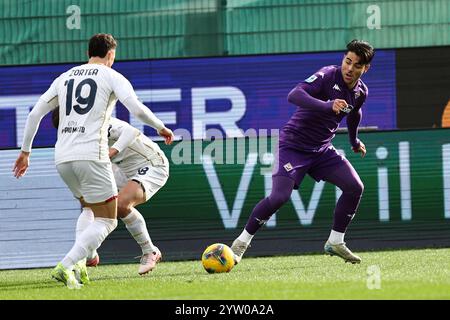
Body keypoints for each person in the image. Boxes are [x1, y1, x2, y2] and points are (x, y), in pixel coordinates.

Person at [13, 33, 174, 289]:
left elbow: (34, 114)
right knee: (107, 218)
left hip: (67, 158)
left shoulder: (64, 78)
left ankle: (97, 256)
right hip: (94, 156)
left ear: (89, 52)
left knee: (97, 209)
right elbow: (136, 107)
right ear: (111, 55)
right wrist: (161, 127)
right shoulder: (111, 76)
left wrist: (25, 152)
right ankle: (71, 263)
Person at [230, 39, 374, 265]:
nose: (350, 68)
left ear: (365, 68)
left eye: (357, 65)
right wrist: (328, 105)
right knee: (279, 197)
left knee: (355, 187)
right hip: (293, 145)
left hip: (322, 150)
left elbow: (355, 114)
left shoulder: (361, 91)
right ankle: (240, 244)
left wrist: (354, 141)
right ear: (343, 60)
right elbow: (294, 95)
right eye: (348, 61)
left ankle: (336, 241)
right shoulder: (327, 75)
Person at [52, 109, 169, 275]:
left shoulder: (99, 124)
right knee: (92, 205)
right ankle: (89, 256)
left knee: (121, 205)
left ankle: (150, 251)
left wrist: (111, 151)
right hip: (120, 168)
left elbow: (131, 132)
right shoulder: (74, 138)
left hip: (151, 164)